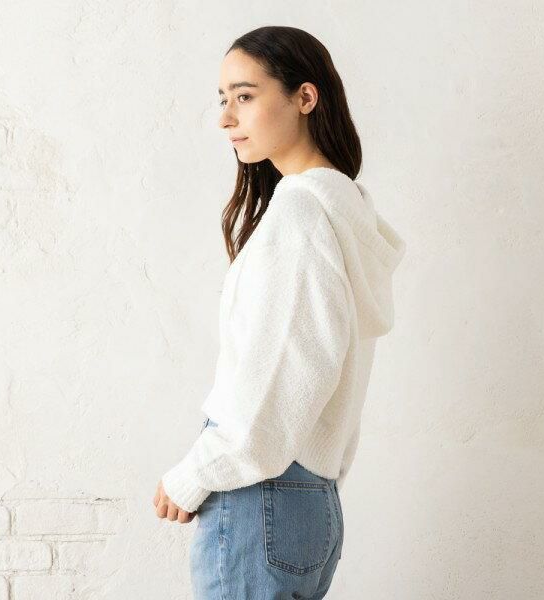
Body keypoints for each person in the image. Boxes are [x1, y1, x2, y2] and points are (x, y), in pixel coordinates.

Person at [152, 25, 406, 599]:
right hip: (311, 499)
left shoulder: (299, 216)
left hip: (259, 496)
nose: (225, 118)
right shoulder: (344, 212)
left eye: (244, 96)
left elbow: (275, 378)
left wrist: (192, 475)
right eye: (223, 99)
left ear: (304, 97)